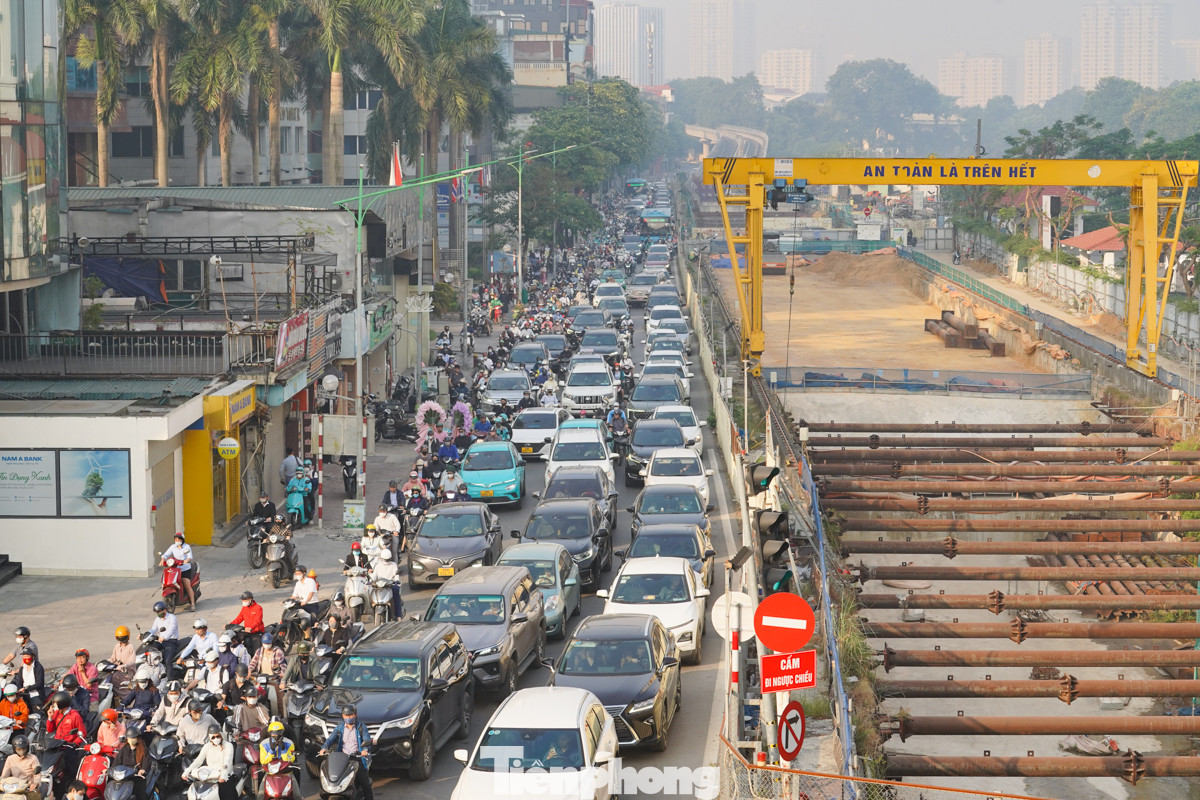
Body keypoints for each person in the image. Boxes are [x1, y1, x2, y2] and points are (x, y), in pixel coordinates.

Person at [317, 705, 372, 800]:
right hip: (342, 758)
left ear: (355, 715)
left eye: (350, 715)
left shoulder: (361, 727)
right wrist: (324, 747)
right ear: (342, 716)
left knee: (365, 784)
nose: (348, 718)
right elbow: (331, 738)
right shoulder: (340, 727)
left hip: (357, 758)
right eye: (346, 715)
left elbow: (367, 740)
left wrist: (364, 750)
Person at [183, 725, 236, 800]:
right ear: (209, 738)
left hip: (225, 778)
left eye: (218, 736)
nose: (216, 739)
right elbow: (198, 760)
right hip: (210, 777)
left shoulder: (228, 746)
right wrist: (187, 771)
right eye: (213, 737)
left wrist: (223, 775)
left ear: (221, 735)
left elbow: (227, 762)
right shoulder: (207, 746)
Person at [47, 692, 86, 779]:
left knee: (71, 769)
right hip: (57, 745)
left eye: (56, 704)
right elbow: (50, 730)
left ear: (62, 704)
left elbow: (82, 733)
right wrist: (50, 717)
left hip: (69, 746)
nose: (54, 705)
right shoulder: (56, 713)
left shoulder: (75, 716)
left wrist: (74, 743)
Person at [257, 720, 298, 800]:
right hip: (270, 773)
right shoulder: (263, 744)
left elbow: (290, 760)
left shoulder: (289, 743)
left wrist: (283, 750)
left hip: (286, 773)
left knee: (297, 796)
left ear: (282, 732)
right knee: (260, 796)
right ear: (269, 733)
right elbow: (263, 761)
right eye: (273, 733)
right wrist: (271, 751)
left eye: (279, 732)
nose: (276, 735)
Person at [248, 635, 286, 715]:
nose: (266, 645)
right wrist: (249, 670)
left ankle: (282, 718)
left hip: (273, 680)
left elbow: (283, 665)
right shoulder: (259, 651)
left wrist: (282, 674)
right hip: (261, 680)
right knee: (255, 698)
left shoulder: (278, 652)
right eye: (264, 643)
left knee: (279, 701)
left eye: (268, 643)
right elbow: (253, 662)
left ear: (272, 642)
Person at [113, 726, 150, 800]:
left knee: (140, 793)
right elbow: (116, 762)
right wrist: (110, 770)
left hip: (137, 776)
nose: (131, 740)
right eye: (129, 738)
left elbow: (147, 761)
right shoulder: (124, 749)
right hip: (124, 776)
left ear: (138, 738)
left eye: (133, 738)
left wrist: (143, 770)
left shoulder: (143, 749)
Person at [163, 532, 198, 611]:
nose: (177, 540)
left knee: (187, 585)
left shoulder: (186, 547)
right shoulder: (173, 547)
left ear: (182, 540)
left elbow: (190, 557)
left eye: (178, 539)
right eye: (176, 539)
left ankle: (192, 604)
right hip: (175, 568)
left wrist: (186, 560)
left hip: (185, 568)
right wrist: (162, 560)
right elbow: (166, 555)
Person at [2, 734, 40, 800]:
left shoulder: (33, 758)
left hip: (28, 789)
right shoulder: (10, 759)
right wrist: (1, 781)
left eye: (23, 748)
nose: (21, 751)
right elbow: (4, 775)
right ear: (14, 748)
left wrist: (34, 783)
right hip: (13, 788)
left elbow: (38, 775)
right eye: (18, 749)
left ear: (27, 748)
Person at [369, 551, 402, 619]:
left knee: (396, 593)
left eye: (388, 559)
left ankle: (399, 616)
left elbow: (396, 575)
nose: (386, 561)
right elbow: (374, 576)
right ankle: (372, 612)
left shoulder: (393, 565)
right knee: (370, 593)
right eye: (385, 559)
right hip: (379, 586)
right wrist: (370, 581)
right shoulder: (378, 566)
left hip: (390, 585)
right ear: (381, 558)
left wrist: (396, 581)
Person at [149, 601, 180, 665]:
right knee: (151, 651)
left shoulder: (172, 617)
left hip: (171, 642)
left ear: (165, 610)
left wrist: (164, 638)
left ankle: (170, 675)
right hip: (162, 642)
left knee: (167, 660)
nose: (158, 614)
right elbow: (153, 629)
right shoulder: (157, 619)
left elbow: (171, 630)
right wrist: (145, 635)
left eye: (159, 611)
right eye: (157, 612)